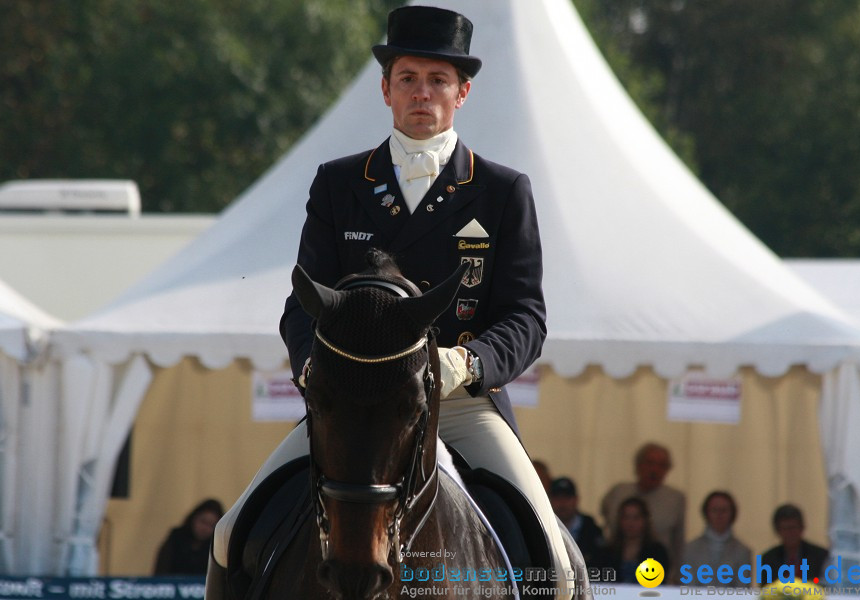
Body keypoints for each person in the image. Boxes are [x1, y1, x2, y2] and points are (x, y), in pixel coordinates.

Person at [208, 5, 575, 596]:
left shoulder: (502, 191)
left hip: (459, 403)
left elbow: (526, 317)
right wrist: (312, 366)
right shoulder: (340, 183)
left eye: (438, 81)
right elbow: (301, 304)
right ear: (385, 89)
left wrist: (470, 363)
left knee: (554, 565)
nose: (422, 93)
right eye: (408, 78)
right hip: (354, 404)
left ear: (463, 92)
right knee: (229, 535)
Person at [600, 442, 686, 571]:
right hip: (614, 565)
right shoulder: (618, 492)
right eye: (650, 463)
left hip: (657, 567)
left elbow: (678, 541)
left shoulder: (675, 499)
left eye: (661, 465)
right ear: (638, 465)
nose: (655, 470)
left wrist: (677, 575)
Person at [681, 491, 752, 587]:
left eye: (724, 510)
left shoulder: (743, 551)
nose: (719, 515)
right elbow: (687, 586)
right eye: (714, 510)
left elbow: (742, 588)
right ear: (706, 513)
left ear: (732, 514)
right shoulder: (690, 549)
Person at [594, 496, 669, 583]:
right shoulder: (606, 553)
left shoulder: (657, 552)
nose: (630, 523)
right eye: (626, 517)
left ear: (645, 521)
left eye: (636, 518)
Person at [760, 504, 829, 584]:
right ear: (777, 530)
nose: (790, 533)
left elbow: (823, 585)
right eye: (785, 529)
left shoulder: (820, 556)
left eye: (793, 528)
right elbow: (765, 589)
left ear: (802, 528)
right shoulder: (769, 558)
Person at [154, 498, 224, 576]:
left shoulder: (217, 548)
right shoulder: (176, 538)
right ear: (193, 518)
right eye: (203, 522)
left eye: (211, 525)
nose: (205, 529)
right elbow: (160, 572)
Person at [550, 477, 605, 565]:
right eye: (558, 498)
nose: (562, 503)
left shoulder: (592, 531)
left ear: (576, 500)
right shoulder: (544, 528)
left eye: (567, 498)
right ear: (550, 501)